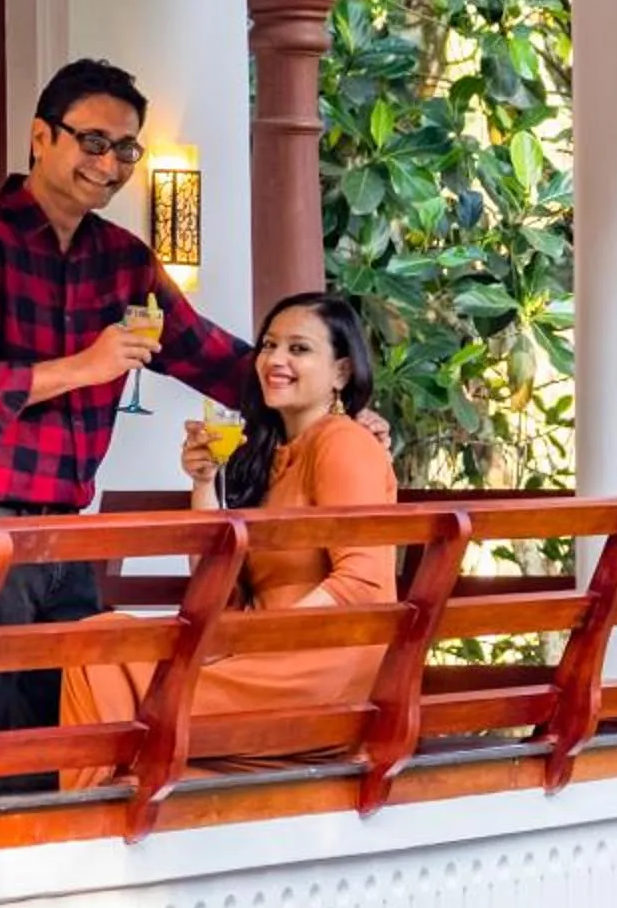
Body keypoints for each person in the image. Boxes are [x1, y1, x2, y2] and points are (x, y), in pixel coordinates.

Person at [0, 59, 265, 796]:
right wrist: (84, 365)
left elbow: (209, 354)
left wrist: (332, 398)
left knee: (76, 754)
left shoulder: (123, 260)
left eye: (126, 149)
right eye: (92, 142)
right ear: (41, 137)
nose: (109, 164)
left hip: (73, 544)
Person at [63, 292, 399, 776]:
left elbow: (364, 586)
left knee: (104, 664)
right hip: (259, 657)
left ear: (341, 373)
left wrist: (253, 639)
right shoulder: (275, 455)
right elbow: (220, 590)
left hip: (316, 668)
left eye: (299, 349)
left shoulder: (345, 444)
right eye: (268, 345)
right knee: (100, 639)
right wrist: (203, 484)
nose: (275, 360)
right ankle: (97, 810)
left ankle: (88, 820)